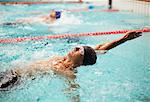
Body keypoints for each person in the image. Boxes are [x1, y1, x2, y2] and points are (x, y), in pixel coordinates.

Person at [0, 31, 142, 90]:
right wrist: (123, 39)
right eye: (77, 47)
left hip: (15, 81)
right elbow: (100, 47)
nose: (75, 48)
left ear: (81, 60)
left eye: (79, 50)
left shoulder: (68, 72)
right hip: (12, 71)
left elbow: (73, 91)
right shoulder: (62, 59)